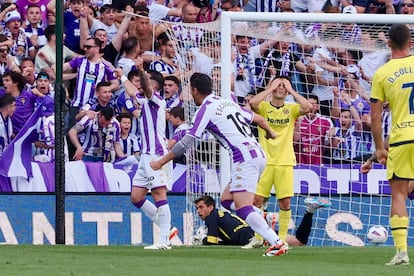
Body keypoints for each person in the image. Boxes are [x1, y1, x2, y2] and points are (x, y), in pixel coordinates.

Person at [150, 72, 288, 257]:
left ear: (194, 90)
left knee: (243, 208)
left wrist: (161, 162)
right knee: (226, 200)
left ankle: (276, 242)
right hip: (257, 154)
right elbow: (259, 119)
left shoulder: (206, 109)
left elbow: (187, 142)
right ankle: (262, 216)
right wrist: (271, 133)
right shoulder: (227, 102)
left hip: (243, 158)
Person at [118, 67, 177, 250]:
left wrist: (142, 70)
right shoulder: (144, 101)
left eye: (145, 80)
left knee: (159, 195)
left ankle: (164, 241)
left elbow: (142, 87)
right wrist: (121, 75)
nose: (140, 83)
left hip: (155, 154)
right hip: (145, 156)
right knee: (136, 197)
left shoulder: (157, 99)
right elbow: (131, 90)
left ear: (152, 85)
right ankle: (167, 229)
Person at [248, 76, 312, 242]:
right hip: (265, 161)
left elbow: (308, 106)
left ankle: (281, 240)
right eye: (278, 85)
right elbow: (252, 104)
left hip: (284, 161)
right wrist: (270, 88)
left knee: (284, 202)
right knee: (257, 200)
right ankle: (257, 238)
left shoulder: (291, 109)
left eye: (284, 85)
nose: (281, 87)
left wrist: (291, 90)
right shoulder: (263, 107)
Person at [370, 23, 413, 266]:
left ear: (388, 43)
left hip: (402, 138)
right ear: (411, 42)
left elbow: (375, 117)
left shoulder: (382, 73)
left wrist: (379, 148)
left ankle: (401, 253)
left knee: (398, 193)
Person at [194, 195, 331, 247]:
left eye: (201, 207)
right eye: (197, 208)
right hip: (254, 231)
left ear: (210, 207)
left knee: (298, 242)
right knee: (299, 242)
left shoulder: (211, 218)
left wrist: (203, 239)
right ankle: (309, 211)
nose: (198, 211)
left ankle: (263, 214)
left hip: (252, 237)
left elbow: (211, 242)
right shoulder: (220, 213)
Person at [0, 94, 16, 158]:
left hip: (5, 156)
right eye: (14, 105)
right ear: (9, 107)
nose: (15, 108)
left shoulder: (8, 119)